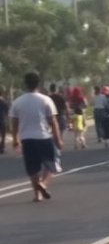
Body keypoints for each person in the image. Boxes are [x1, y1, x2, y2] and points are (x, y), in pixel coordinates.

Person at [9, 72, 63, 202]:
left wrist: (15, 139)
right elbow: (53, 121)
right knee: (52, 165)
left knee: (33, 168)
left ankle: (37, 194)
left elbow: (14, 123)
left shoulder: (18, 102)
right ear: (38, 84)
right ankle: (43, 184)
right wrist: (58, 139)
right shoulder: (45, 100)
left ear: (25, 84)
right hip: (44, 137)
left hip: (27, 139)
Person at [0, 87, 9, 154]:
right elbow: (7, 112)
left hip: (2, 120)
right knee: (3, 135)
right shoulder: (4, 102)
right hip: (2, 120)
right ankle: (2, 147)